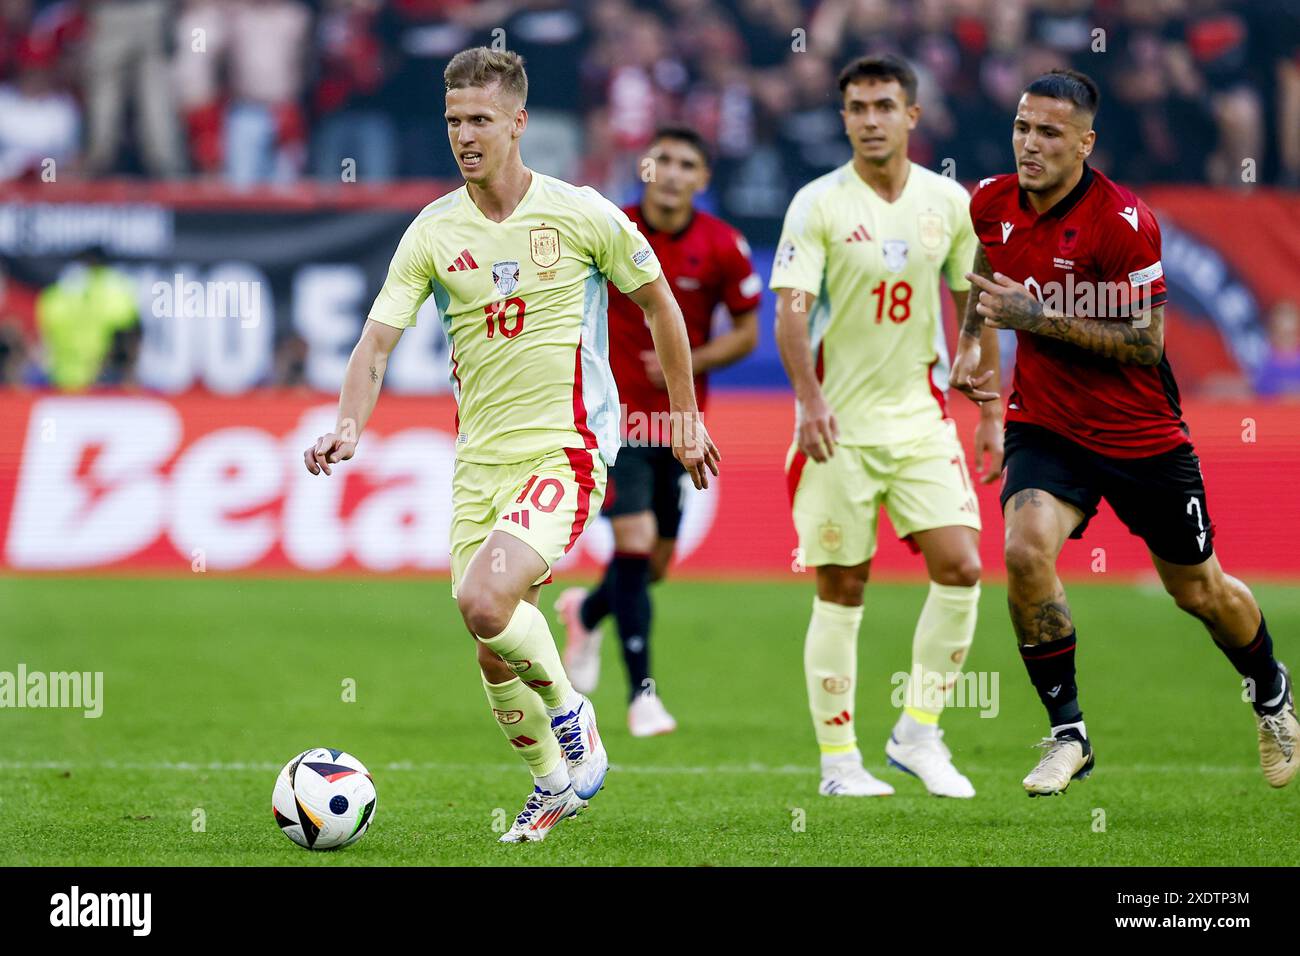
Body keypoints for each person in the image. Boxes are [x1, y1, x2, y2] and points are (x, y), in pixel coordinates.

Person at [303, 47, 718, 842]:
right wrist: (348, 425)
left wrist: (686, 415)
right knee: (493, 649)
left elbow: (662, 304)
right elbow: (376, 345)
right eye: (454, 119)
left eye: (481, 119)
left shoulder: (581, 212)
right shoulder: (432, 231)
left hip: (564, 446)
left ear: (519, 123)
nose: (464, 134)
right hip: (479, 464)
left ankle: (574, 716)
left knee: (484, 601)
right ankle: (551, 784)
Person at [954, 68, 1297, 796]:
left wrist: (1036, 318)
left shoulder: (1123, 221)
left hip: (1142, 438)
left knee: (1199, 591)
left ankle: (1270, 693)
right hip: (1046, 425)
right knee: (1022, 551)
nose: (1031, 144)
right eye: (1023, 127)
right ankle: (1068, 732)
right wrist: (970, 337)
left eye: (1049, 132)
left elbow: (1146, 343)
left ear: (1085, 142)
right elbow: (986, 265)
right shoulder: (989, 200)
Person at [770, 54, 1002, 799]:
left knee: (962, 564)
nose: (871, 120)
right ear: (843, 118)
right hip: (838, 425)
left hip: (921, 419)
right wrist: (809, 401)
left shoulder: (948, 202)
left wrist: (991, 407)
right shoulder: (818, 203)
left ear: (913, 116)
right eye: (858, 107)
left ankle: (919, 733)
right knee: (842, 585)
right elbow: (792, 313)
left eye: (884, 106)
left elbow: (980, 296)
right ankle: (840, 763)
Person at [555, 125, 760, 737]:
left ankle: (586, 613)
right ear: (644, 168)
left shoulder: (723, 245)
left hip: (677, 422)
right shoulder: (610, 227)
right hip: (612, 419)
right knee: (636, 540)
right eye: (661, 160)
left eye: (686, 163)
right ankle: (642, 694)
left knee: (654, 564)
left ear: (703, 178)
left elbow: (748, 332)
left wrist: (688, 363)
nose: (671, 172)